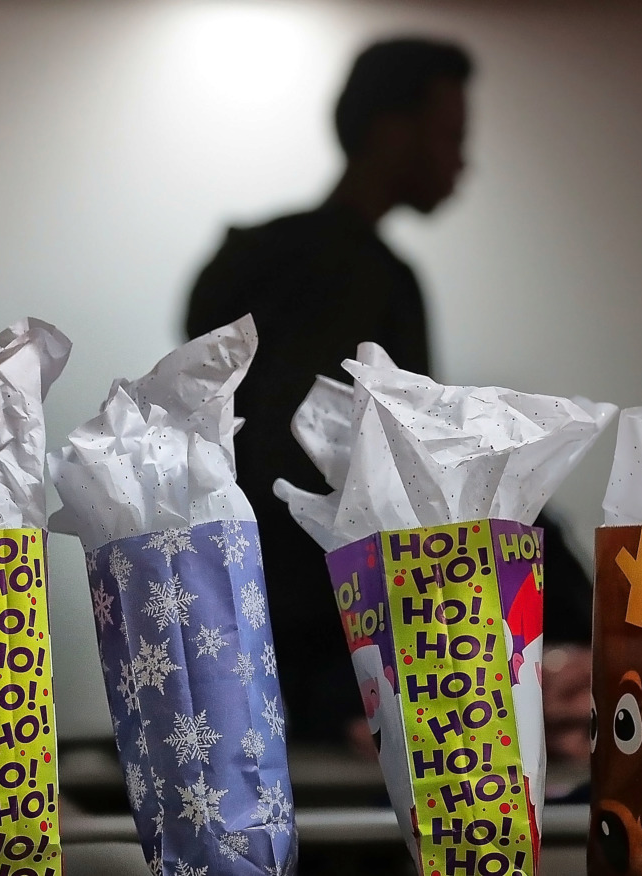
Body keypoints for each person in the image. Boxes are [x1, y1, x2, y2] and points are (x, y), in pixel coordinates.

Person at [184, 37, 592, 759]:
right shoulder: (367, 276)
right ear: (390, 130)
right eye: (451, 136)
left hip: (243, 637)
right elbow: (368, 476)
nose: (464, 163)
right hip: (340, 651)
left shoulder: (247, 263)